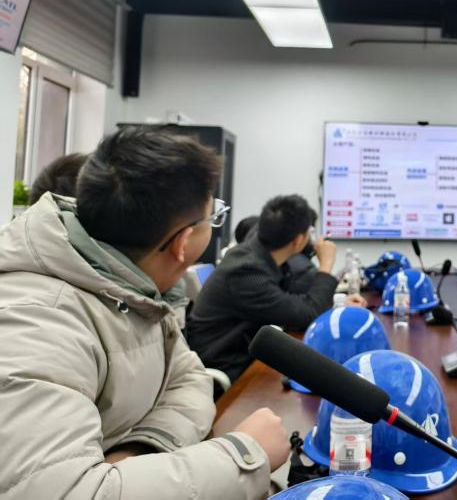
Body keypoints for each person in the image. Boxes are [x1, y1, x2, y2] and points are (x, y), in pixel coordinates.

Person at [0, 127, 288, 500]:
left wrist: (138, 451)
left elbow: (190, 381)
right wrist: (243, 455)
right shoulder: (39, 324)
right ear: (183, 243)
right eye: (212, 216)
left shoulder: (132, 285)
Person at [187, 194, 366, 382]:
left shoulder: (259, 248)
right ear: (298, 241)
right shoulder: (247, 273)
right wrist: (326, 264)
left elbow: (292, 301)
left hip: (247, 352)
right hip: (225, 367)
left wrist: (338, 303)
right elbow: (308, 313)